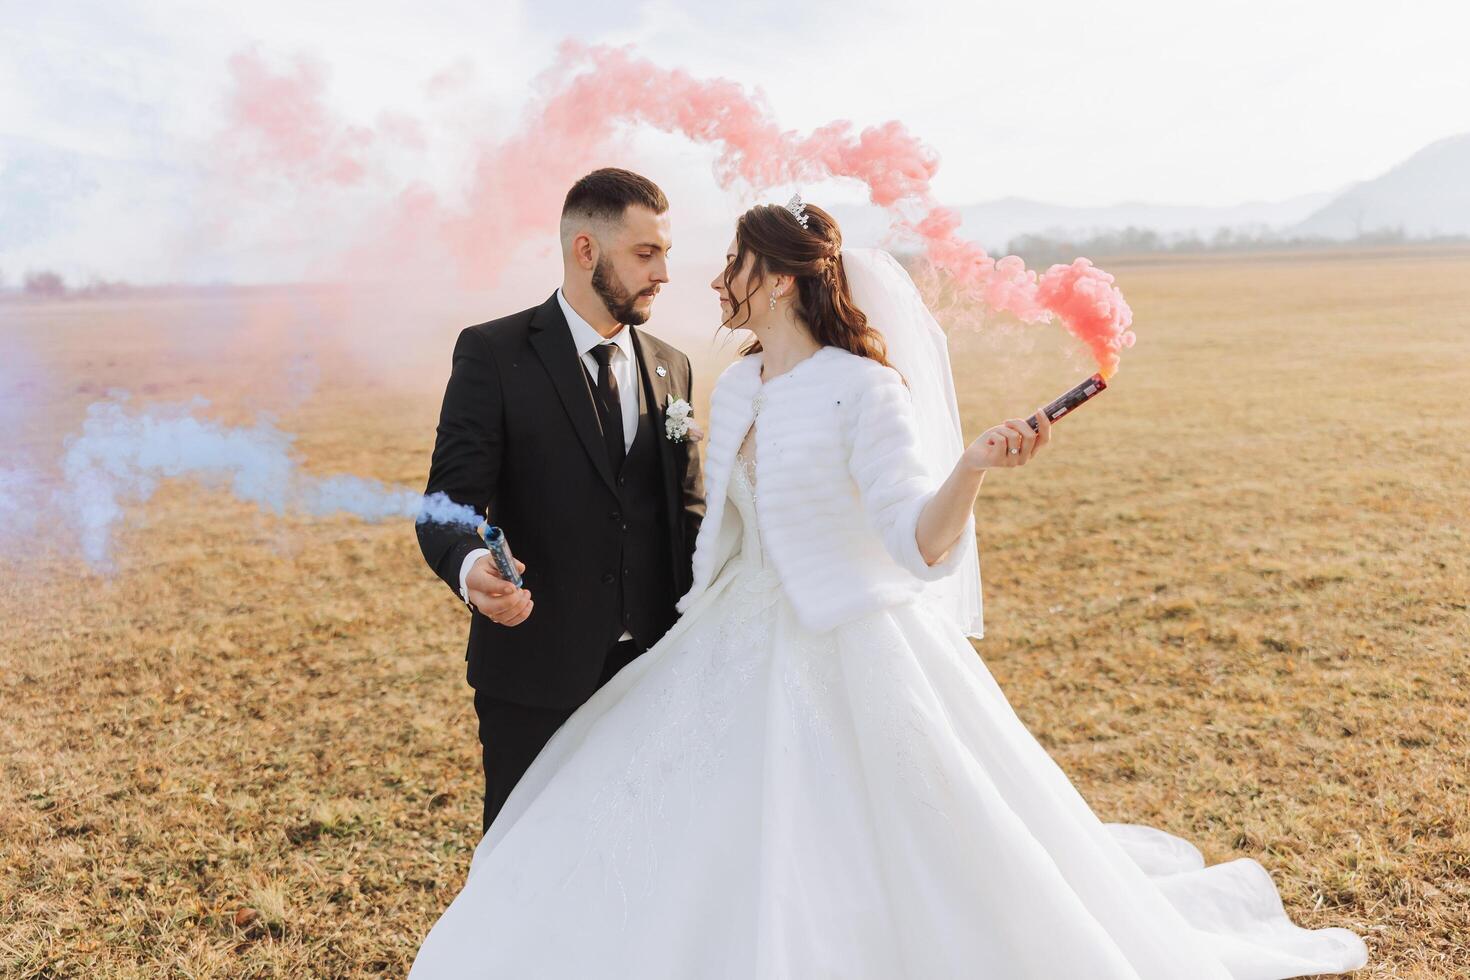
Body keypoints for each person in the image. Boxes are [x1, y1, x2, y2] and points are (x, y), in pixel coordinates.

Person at [410, 196, 1369, 978]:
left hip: (852, 638)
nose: (705, 279)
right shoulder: (731, 386)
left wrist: (974, 469)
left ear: (778, 277)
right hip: (726, 638)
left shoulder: (865, 392)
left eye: (729, 263)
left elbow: (919, 544)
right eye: (659, 251)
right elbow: (699, 520)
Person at [415, 168, 705, 835]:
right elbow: (446, 506)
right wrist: (469, 568)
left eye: (665, 253)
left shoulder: (673, 365)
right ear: (585, 250)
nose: (663, 272)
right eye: (645, 253)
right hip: (535, 675)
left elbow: (688, 516)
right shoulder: (492, 353)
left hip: (654, 674)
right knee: (522, 867)